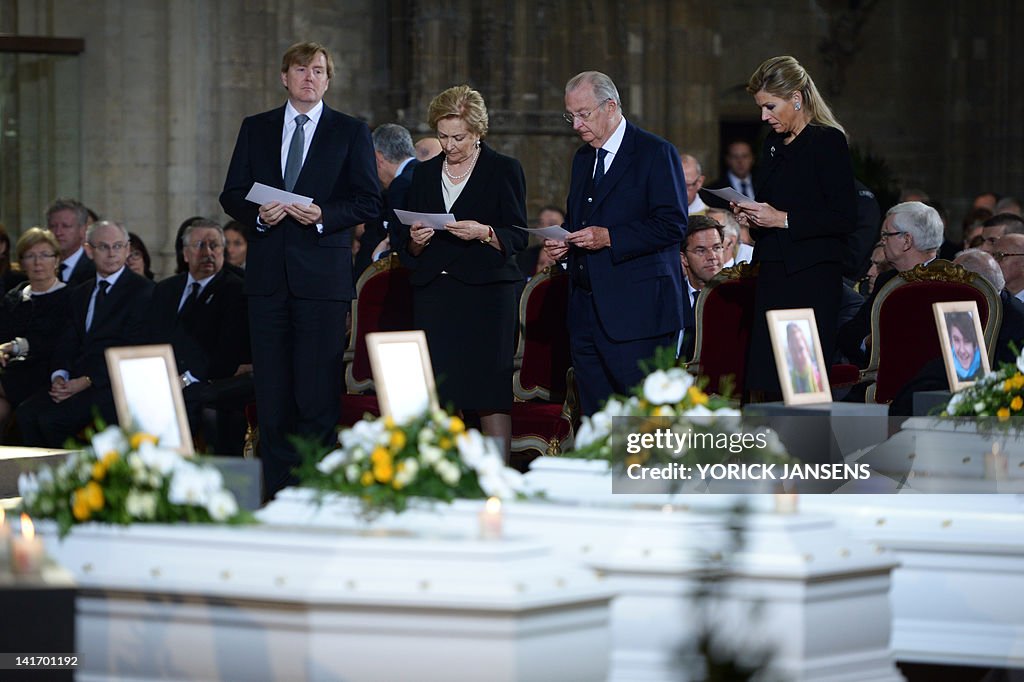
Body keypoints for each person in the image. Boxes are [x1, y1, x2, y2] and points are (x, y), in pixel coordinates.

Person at [219, 42, 381, 498]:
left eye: (318, 70)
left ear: (328, 80)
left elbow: (369, 199)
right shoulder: (257, 128)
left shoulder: (350, 131)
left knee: (315, 394)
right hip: (268, 280)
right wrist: (256, 215)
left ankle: (314, 495)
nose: (309, 77)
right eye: (300, 69)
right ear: (284, 77)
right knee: (272, 395)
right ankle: (274, 496)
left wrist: (324, 215)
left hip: (322, 281)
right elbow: (232, 191)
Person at [390, 85, 527, 459]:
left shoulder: (503, 169)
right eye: (443, 136)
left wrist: (485, 232)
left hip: (486, 295)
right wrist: (416, 240)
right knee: (439, 390)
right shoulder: (422, 174)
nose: (450, 145)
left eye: (459, 137)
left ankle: (496, 480)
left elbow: (518, 233)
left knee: (488, 391)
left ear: (479, 132)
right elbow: (406, 240)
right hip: (436, 294)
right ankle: (443, 476)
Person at [543, 71, 687, 416]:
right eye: (570, 115)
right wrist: (566, 240)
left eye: (583, 114)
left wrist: (609, 237)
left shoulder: (654, 152)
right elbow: (581, 220)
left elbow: (673, 224)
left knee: (643, 422)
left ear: (610, 107)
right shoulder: (582, 158)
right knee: (599, 423)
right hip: (586, 314)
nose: (576, 124)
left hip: (639, 316)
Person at [732, 55, 856, 400]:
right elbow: (770, 210)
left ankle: (805, 452)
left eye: (770, 106)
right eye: (761, 107)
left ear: (797, 99)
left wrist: (782, 219)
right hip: (773, 274)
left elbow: (845, 216)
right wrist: (753, 218)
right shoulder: (771, 144)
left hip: (812, 278)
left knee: (802, 382)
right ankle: (770, 452)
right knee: (768, 380)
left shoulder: (827, 141)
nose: (764, 116)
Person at [16, 220, 154, 447]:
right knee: (26, 413)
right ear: (89, 250)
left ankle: (78, 476)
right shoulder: (80, 292)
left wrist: (88, 381)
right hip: (74, 381)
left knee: (52, 420)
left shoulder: (144, 292)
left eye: (118, 246)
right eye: (104, 247)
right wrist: (59, 376)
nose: (112, 253)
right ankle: (42, 479)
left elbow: (133, 346)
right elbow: (67, 340)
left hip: (111, 383)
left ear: (127, 249)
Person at [148, 219, 252, 454]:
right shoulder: (165, 289)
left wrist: (185, 378)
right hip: (165, 378)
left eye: (214, 245)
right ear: (185, 253)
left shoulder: (235, 290)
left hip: (208, 380)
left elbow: (227, 349)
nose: (208, 252)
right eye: (199, 245)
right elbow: (153, 336)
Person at [0, 228, 70, 440]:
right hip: (9, 370)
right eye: (30, 256)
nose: (38, 262)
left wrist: (12, 346)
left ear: (57, 260)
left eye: (45, 255)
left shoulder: (70, 296)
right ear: (21, 263)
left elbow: (55, 341)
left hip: (42, 373)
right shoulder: (15, 296)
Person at [678, 215, 725, 361]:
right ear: (683, 258)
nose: (712, 256)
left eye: (717, 248)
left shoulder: (739, 299)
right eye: (701, 250)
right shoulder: (670, 298)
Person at [46, 198, 96, 285]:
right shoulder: (40, 268)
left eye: (65, 226)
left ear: (82, 230)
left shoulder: (96, 271)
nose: (58, 232)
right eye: (53, 226)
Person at [786, 322, 823, 393]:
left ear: (807, 349)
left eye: (801, 349)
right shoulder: (788, 381)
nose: (798, 356)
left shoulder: (820, 377)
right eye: (793, 350)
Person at [946, 311, 982, 381]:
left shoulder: (984, 368)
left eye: (967, 341)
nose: (962, 350)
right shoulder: (945, 368)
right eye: (956, 340)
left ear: (976, 344)